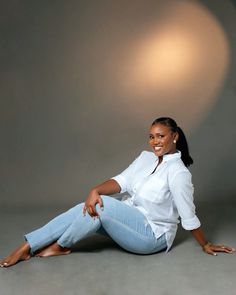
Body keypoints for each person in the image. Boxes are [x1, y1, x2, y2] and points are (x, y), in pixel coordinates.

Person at [0, 117, 234, 268]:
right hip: (128, 223)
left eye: (161, 136)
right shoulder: (145, 158)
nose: (155, 141)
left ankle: (61, 245)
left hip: (152, 236)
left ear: (175, 136)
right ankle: (27, 247)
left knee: (102, 205)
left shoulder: (179, 173)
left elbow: (187, 214)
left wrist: (205, 244)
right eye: (152, 136)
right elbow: (122, 181)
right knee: (86, 206)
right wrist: (95, 189)